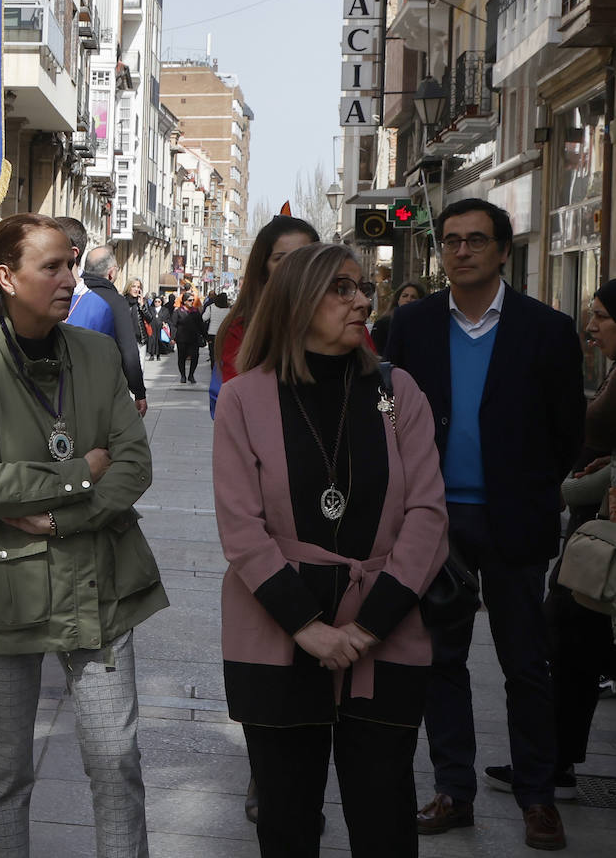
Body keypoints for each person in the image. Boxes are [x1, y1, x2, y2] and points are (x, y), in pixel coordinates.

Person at [0, 213, 168, 858]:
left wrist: (64, 513)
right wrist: (80, 472)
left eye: (72, 264)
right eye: (52, 267)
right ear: (5, 277)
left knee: (116, 760)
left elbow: (134, 463)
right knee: (5, 772)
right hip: (2, 593)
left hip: (99, 583)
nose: (70, 279)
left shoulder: (95, 354)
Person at [214, 241, 449, 857]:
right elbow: (242, 529)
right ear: (297, 302)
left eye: (363, 287)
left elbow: (427, 516)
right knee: (287, 822)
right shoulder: (244, 400)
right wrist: (311, 629)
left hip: (387, 634)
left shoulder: (399, 394)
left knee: (386, 820)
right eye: (342, 288)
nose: (363, 300)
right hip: (276, 636)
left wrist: (368, 628)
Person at [385, 198, 585, 852]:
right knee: (440, 660)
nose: (461, 250)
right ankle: (453, 790)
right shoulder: (410, 325)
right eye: (450, 241)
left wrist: (530, 490)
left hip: (513, 520)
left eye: (475, 240)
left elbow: (567, 434)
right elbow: (387, 416)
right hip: (434, 517)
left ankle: (537, 796)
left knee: (525, 662)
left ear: (504, 250)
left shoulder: (546, 330)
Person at [482, 279, 616, 804]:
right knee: (566, 637)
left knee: (561, 635)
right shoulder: (608, 371)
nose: (592, 327)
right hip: (589, 530)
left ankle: (547, 763)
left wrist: (568, 483)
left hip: (597, 533)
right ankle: (551, 760)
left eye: (602, 316)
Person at [213, 215, 320, 387]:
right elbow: (236, 402)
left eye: (304, 256)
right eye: (281, 259)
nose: (294, 266)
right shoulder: (241, 329)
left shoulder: (342, 321)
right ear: (263, 268)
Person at [67, 245, 148, 417]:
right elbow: (129, 351)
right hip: (101, 390)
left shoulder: (68, 295)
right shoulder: (116, 302)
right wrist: (139, 392)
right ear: (111, 273)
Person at [368, 281, 425, 353]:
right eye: (405, 296)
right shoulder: (382, 324)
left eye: (413, 297)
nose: (408, 300)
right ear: (398, 300)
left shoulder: (424, 326)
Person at [173, 292, 204, 385]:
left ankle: (191, 375)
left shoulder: (196, 311)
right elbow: (173, 325)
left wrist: (205, 336)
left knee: (195, 357)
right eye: (190, 300)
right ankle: (183, 375)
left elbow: (201, 325)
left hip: (194, 338)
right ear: (184, 301)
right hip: (181, 339)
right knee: (181, 358)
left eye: (193, 300)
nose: (192, 302)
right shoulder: (178, 311)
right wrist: (172, 337)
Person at [204, 290, 230, 364]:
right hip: (224, 334)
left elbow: (204, 318)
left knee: (212, 353)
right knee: (222, 352)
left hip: (212, 333)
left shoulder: (211, 307)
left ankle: (213, 369)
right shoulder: (228, 309)